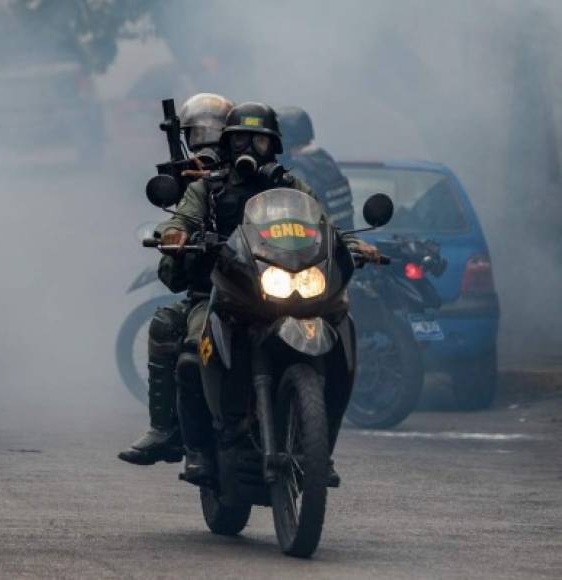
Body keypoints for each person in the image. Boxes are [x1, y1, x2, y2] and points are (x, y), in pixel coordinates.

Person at [151, 102, 378, 486]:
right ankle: (199, 452)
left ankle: (321, 450)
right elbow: (182, 219)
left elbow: (325, 225)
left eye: (259, 140)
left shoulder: (291, 187)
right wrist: (176, 235)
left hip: (283, 289)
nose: (249, 148)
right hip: (224, 293)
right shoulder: (207, 188)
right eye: (240, 138)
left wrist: (352, 244)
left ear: (273, 147)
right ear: (227, 142)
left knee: (343, 333)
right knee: (193, 349)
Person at [118, 93, 234, 466]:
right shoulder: (193, 186)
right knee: (171, 325)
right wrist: (178, 235)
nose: (207, 141)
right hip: (213, 289)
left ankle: (317, 444)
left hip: (263, 285)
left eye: (215, 132)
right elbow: (175, 237)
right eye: (198, 133)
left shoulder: (262, 177)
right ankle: (167, 429)